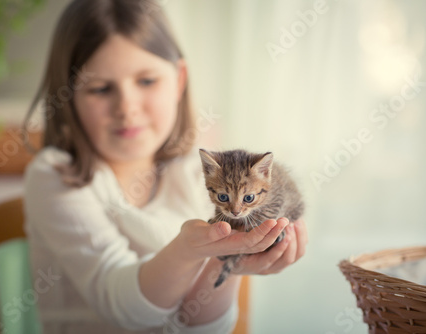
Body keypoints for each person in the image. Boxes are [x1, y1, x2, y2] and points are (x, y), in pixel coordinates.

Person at [22, 0, 308, 333]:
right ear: (67, 97)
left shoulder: (196, 172)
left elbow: (199, 325)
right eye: (100, 88)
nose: (127, 108)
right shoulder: (56, 176)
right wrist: (186, 252)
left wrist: (230, 260)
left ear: (179, 79)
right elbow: (125, 310)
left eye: (146, 81)